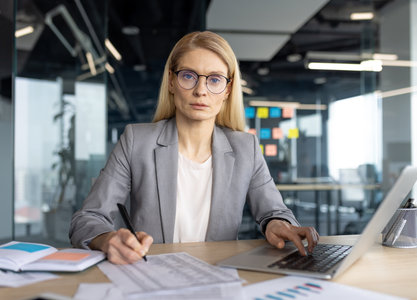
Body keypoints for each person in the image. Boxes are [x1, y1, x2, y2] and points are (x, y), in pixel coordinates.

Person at [69, 31, 319, 264]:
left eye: (214, 79)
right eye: (188, 76)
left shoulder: (246, 147)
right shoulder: (137, 141)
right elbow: (88, 218)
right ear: (171, 82)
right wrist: (106, 239)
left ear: (227, 90)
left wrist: (276, 224)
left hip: (218, 277)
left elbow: (274, 211)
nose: (201, 90)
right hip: (151, 278)